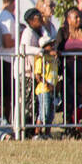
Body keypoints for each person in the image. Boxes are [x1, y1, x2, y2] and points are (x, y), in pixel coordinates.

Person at [19, 9, 56, 137]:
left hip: (35, 72)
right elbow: (24, 48)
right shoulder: (28, 32)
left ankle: (36, 131)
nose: (40, 19)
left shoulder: (40, 31)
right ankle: (27, 131)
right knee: (27, 104)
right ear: (30, 20)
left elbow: (47, 40)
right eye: (37, 17)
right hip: (27, 72)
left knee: (37, 105)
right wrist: (42, 51)